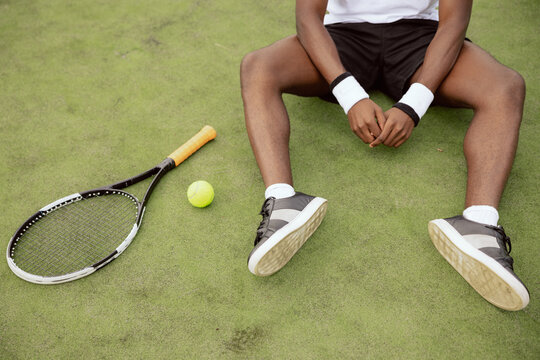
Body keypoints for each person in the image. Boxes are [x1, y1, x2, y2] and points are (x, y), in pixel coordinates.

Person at [240, 0, 529, 311]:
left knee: (505, 86)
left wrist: (414, 104)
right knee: (257, 66)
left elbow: (455, 21)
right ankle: (283, 202)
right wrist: (349, 95)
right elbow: (307, 17)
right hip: (341, 38)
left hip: (422, 38)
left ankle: (479, 223)